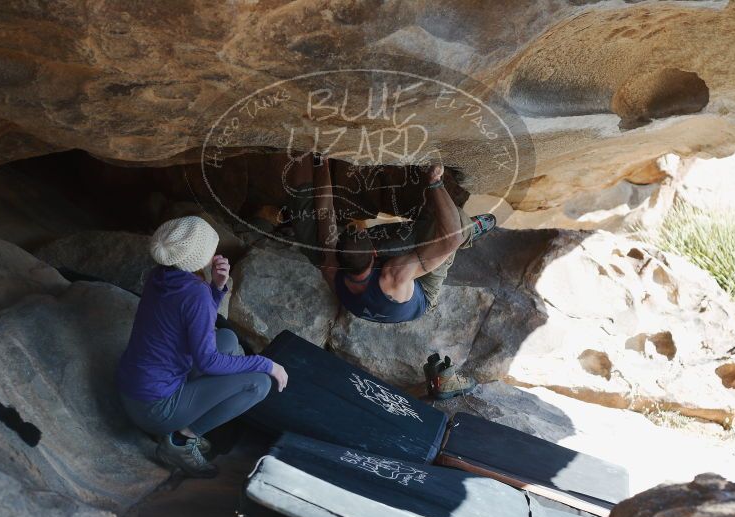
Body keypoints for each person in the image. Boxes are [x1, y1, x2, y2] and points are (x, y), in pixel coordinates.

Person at [118, 215, 288, 478]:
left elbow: (192, 317)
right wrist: (267, 363)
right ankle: (181, 440)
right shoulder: (195, 293)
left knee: (228, 340)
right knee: (259, 383)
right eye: (210, 248)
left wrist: (217, 287)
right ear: (198, 257)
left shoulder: (161, 274)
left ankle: (187, 419)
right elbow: (208, 361)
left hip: (137, 387)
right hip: (155, 408)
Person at [285, 154, 495, 324]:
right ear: (376, 252)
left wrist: (321, 159)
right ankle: (471, 230)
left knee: (309, 236)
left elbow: (325, 212)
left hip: (367, 291)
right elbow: (451, 240)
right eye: (363, 234)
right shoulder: (395, 274)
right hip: (420, 292)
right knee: (443, 226)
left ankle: (300, 153)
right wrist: (434, 182)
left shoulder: (330, 267)